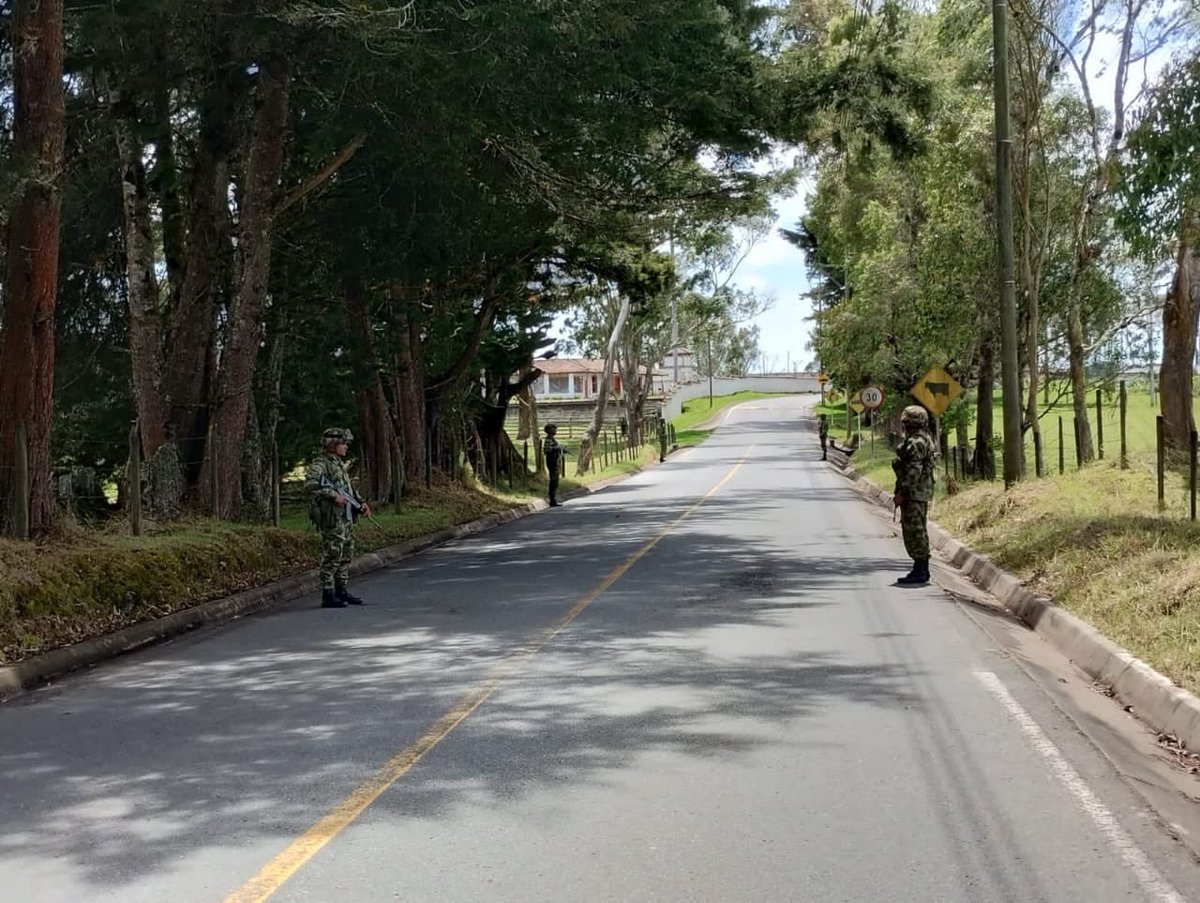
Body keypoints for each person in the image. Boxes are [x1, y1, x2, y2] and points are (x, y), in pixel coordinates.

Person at [305, 427, 372, 608]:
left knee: (346, 553)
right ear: (333, 445)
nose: (345, 447)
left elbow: (347, 488)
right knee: (333, 553)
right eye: (343, 444)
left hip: (346, 516)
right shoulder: (322, 463)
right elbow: (310, 484)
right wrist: (332, 496)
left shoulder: (339, 464)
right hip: (332, 517)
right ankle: (328, 593)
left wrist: (360, 503)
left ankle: (341, 589)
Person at [892, 405, 936, 585]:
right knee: (917, 529)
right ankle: (920, 568)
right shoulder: (923, 439)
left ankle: (920, 569)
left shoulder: (915, 443)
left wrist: (902, 492)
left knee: (915, 531)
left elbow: (913, 472)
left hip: (914, 493)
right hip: (919, 492)